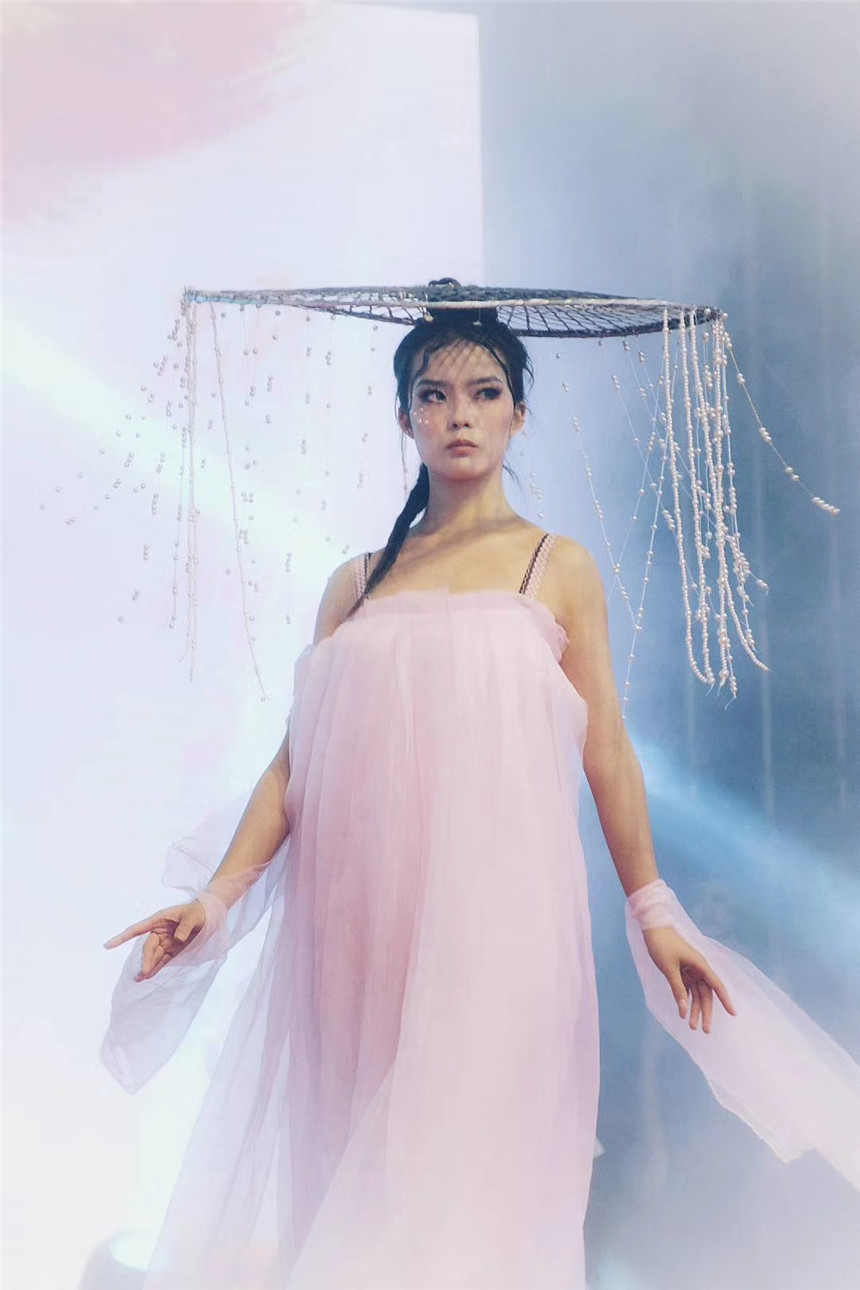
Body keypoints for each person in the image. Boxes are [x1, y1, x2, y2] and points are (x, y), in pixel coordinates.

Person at [102, 305, 856, 1289]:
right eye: (434, 394)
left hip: (500, 928)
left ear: (517, 414)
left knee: (469, 1185)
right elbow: (295, 766)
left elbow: (606, 749)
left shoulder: (555, 567)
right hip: (359, 932)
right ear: (404, 417)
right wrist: (215, 897)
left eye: (483, 392)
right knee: (362, 1195)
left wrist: (653, 909)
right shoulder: (354, 584)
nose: (459, 414)